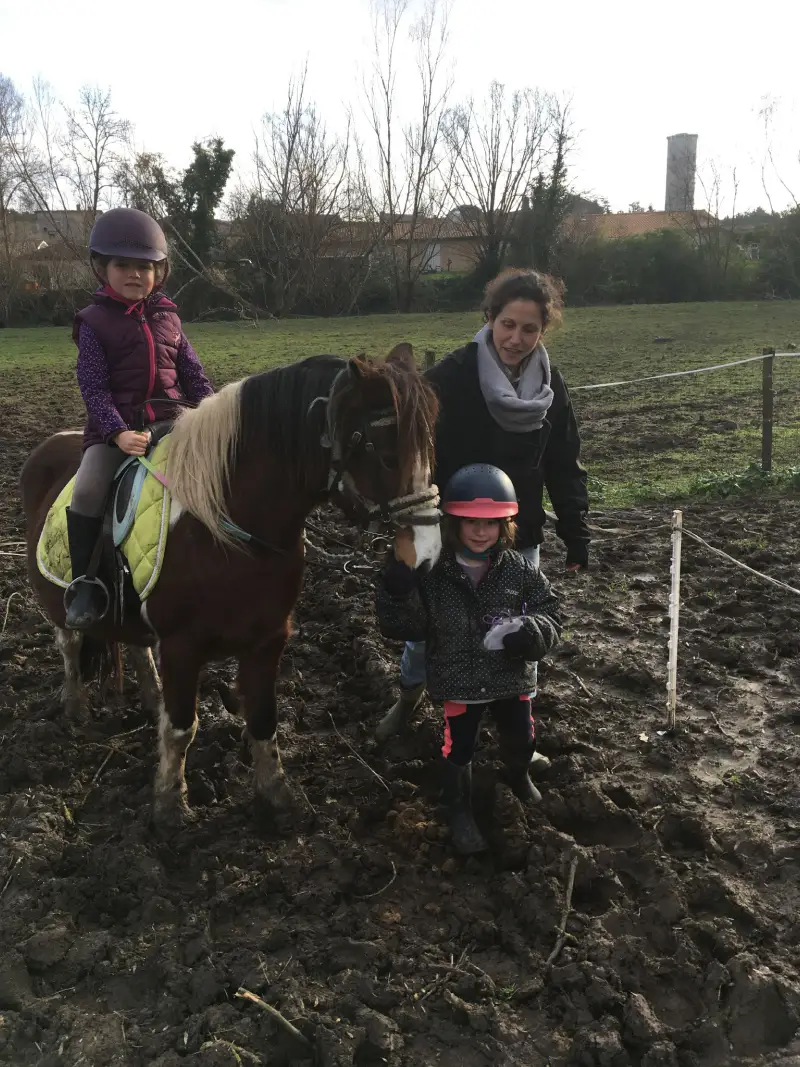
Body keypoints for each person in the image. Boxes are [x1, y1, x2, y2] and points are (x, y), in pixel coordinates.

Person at [376, 267, 588, 741]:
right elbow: (408, 438)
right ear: (490, 318)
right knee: (426, 629)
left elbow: (564, 462)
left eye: (530, 328)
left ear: (543, 330)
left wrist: (576, 531)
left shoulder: (551, 389)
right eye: (507, 324)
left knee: (519, 631)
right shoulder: (450, 376)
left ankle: (516, 728)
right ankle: (409, 696)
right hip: (455, 531)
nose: (516, 338)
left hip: (519, 531)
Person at [375, 464, 562, 855]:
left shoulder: (519, 569)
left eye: (491, 524)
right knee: (458, 747)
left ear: (506, 525)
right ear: (452, 523)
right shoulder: (434, 574)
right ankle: (459, 808)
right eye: (471, 522)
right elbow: (408, 627)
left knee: (521, 735)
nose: (481, 532)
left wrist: (533, 633)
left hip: (511, 678)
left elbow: (551, 612)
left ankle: (520, 774)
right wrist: (396, 592)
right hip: (459, 680)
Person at [64, 207, 214, 631]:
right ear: (102, 269)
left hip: (173, 420)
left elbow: (192, 373)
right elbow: (93, 388)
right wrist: (115, 433)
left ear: (159, 272)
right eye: (123, 265)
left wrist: (212, 413)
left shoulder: (168, 316)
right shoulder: (94, 323)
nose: (135, 275)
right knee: (89, 488)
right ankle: (86, 584)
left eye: (145, 267)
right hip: (117, 428)